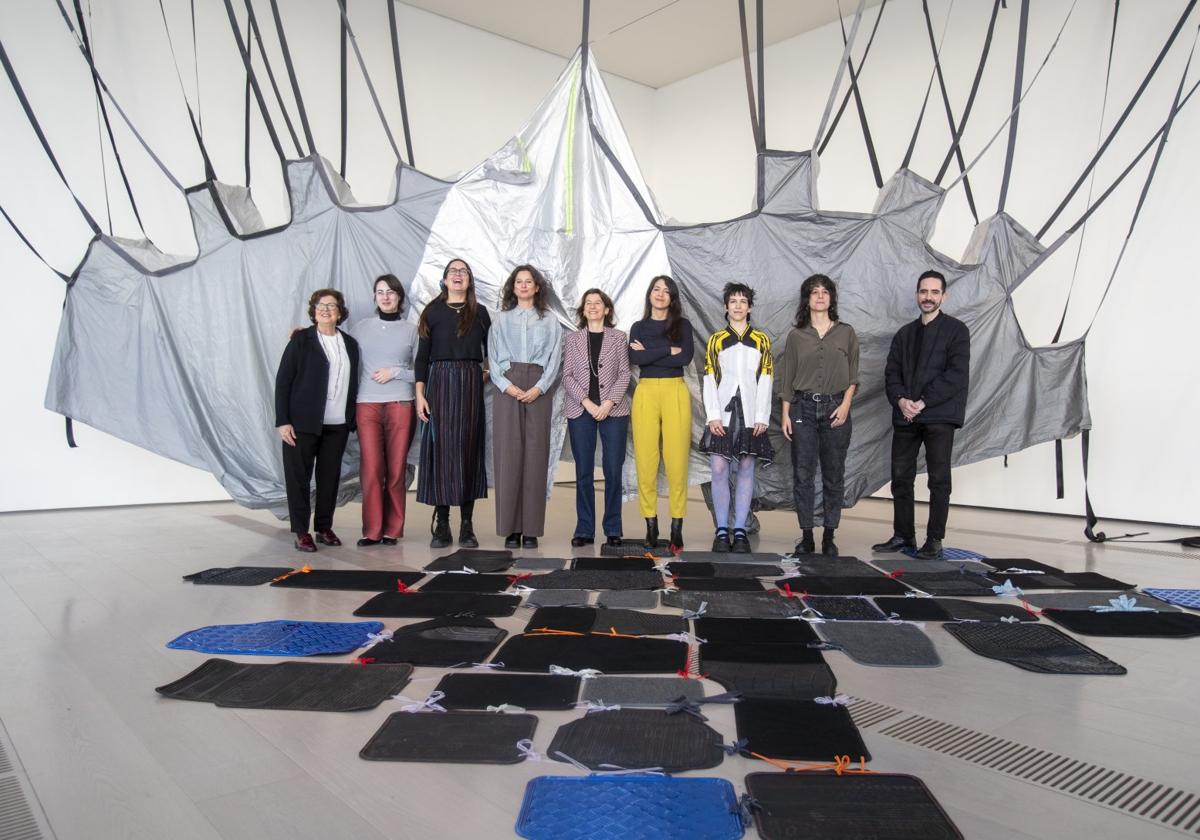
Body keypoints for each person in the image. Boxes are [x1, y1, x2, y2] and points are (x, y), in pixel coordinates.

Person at [873, 269, 971, 560]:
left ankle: (934, 539)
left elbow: (956, 376)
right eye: (924, 292)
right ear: (917, 294)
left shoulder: (957, 331)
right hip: (906, 416)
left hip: (939, 416)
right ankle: (903, 535)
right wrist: (902, 400)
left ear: (943, 296)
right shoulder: (905, 334)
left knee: (938, 479)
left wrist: (923, 402)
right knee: (900, 477)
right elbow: (891, 373)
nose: (928, 297)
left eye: (934, 292)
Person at [778, 274, 859, 556]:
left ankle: (829, 535)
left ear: (832, 298)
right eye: (815, 292)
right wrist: (786, 414)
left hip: (836, 408)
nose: (820, 296)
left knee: (834, 474)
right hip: (803, 409)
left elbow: (853, 375)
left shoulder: (846, 332)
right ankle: (806, 535)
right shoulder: (796, 336)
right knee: (803, 474)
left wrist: (846, 405)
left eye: (825, 291)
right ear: (807, 299)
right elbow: (787, 379)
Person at [274, 289, 361, 552]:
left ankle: (324, 527)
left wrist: (351, 419)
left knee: (329, 478)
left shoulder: (350, 344)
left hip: (337, 425)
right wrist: (283, 421)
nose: (325, 309)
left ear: (340, 312)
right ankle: (301, 531)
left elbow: (353, 381)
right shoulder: (301, 340)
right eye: (320, 305)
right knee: (299, 478)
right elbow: (283, 381)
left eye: (332, 305)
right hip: (301, 424)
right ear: (313, 311)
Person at [415, 258, 491, 549]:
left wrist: (483, 372)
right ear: (445, 280)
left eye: (463, 272)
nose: (458, 275)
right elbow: (422, 357)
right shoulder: (432, 312)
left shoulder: (481, 313)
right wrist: (420, 394)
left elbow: (492, 352)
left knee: (468, 449)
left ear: (469, 280)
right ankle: (442, 524)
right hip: (439, 382)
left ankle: (467, 526)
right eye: (453, 272)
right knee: (443, 452)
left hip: (470, 382)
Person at [488, 265, 562, 548]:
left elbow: (555, 358)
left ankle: (530, 528)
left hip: (538, 386)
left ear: (537, 287)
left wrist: (539, 387)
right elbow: (492, 358)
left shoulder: (550, 321)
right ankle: (510, 528)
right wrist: (507, 385)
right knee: (509, 455)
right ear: (512, 286)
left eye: (528, 281)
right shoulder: (501, 320)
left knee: (535, 455)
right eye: (518, 281)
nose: (523, 285)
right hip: (507, 385)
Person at [698, 283, 774, 553]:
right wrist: (713, 415)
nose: (739, 305)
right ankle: (721, 530)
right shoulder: (716, 339)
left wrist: (762, 415)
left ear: (750, 307)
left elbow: (766, 377)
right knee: (718, 469)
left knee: (745, 469)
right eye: (734, 301)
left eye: (744, 301)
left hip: (752, 413)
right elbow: (709, 377)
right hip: (723, 414)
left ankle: (740, 529)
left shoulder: (762, 340)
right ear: (726, 307)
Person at [350, 274, 419, 547]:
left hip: (400, 405)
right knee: (371, 469)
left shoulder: (411, 330)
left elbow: (423, 373)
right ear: (374, 297)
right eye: (380, 292)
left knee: (396, 470)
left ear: (399, 296)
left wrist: (396, 372)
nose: (386, 296)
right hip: (366, 404)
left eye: (391, 292)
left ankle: (392, 530)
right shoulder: (360, 328)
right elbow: (337, 350)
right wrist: (303, 336)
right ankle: (372, 531)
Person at [629, 275, 695, 549]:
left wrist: (652, 351)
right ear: (649, 294)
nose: (660, 294)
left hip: (675, 391)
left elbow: (685, 357)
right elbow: (635, 358)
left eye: (666, 291)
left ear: (672, 298)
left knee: (677, 461)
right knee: (646, 461)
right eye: (656, 289)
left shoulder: (683, 325)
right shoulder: (638, 326)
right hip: (645, 392)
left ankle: (677, 524)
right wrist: (668, 348)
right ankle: (651, 524)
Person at [562, 289, 631, 548]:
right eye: (588, 303)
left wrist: (608, 403)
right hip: (581, 410)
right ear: (583, 310)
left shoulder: (618, 337)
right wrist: (588, 403)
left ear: (607, 309)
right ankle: (585, 529)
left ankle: (613, 528)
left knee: (613, 469)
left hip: (614, 410)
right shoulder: (573, 339)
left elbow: (625, 373)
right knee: (583, 472)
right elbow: (567, 376)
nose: (592, 306)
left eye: (597, 303)